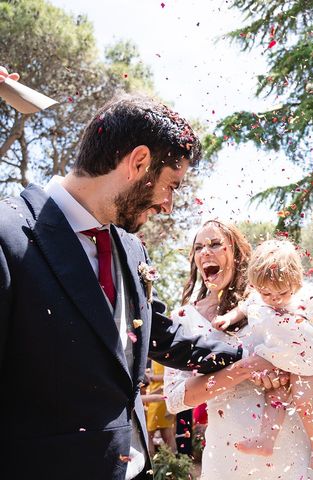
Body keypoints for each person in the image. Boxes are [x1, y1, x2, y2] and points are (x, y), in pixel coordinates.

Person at [0, 85, 273, 479]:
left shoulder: (131, 249)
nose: (168, 204)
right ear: (139, 162)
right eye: (171, 185)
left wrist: (247, 356)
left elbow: (157, 333)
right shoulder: (9, 234)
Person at [164, 220, 313, 479]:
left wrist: (284, 372)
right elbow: (175, 400)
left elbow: (310, 358)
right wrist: (245, 369)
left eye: (214, 244)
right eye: (198, 247)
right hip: (226, 452)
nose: (205, 253)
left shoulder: (269, 303)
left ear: (236, 253)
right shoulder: (183, 318)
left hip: (286, 444)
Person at [213, 238, 313, 479]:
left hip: (306, 360)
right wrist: (228, 318)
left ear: (295, 282)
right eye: (266, 292)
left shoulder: (308, 299)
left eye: (282, 293)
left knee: (303, 401)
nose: (274, 299)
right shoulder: (257, 297)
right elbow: (244, 308)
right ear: (256, 285)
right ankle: (266, 440)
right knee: (273, 396)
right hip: (278, 359)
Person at [144, 361, 177, 455]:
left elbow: (171, 375)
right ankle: (173, 463)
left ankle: (152, 463)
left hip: (160, 397)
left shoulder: (163, 356)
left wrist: (150, 377)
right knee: (166, 431)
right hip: (159, 396)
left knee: (149, 433)